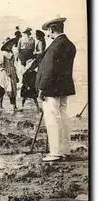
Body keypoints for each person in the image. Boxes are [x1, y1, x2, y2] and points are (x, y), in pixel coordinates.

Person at [35, 17, 76, 162]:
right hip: (64, 87)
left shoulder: (55, 46)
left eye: (48, 31)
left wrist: (42, 88)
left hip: (51, 88)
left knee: (53, 118)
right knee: (63, 117)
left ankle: (55, 152)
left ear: (52, 29)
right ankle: (65, 150)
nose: (48, 34)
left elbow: (49, 69)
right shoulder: (69, 44)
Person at [0, 38, 19, 111]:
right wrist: (6, 73)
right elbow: (0, 65)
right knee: (6, 89)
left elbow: (13, 65)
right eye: (10, 45)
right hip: (6, 74)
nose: (11, 46)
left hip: (12, 73)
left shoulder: (11, 53)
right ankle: (0, 105)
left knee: (13, 90)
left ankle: (14, 106)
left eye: (11, 44)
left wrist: (16, 75)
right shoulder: (3, 54)